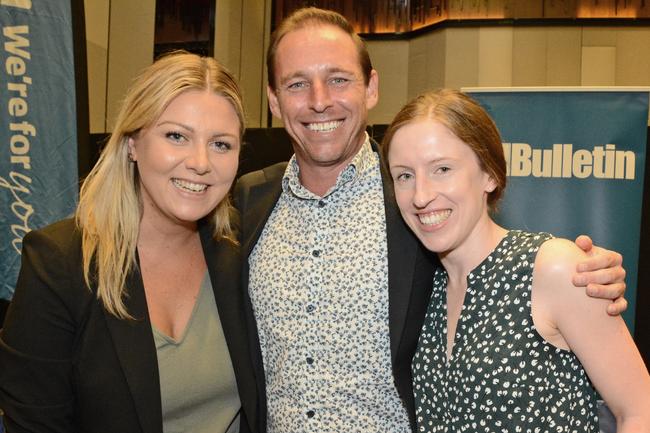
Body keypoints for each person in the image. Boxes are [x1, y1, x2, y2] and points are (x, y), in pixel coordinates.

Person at [235, 6, 628, 433]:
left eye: (338, 79)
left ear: (370, 88)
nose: (319, 99)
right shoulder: (248, 200)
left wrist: (582, 274)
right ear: (273, 100)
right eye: (297, 84)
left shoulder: (416, 209)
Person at [0, 52, 258, 433]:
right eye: (176, 136)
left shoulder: (243, 246)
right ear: (132, 144)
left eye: (221, 144)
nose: (201, 162)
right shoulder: (60, 264)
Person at [383, 89, 650, 433]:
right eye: (405, 175)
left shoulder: (552, 267)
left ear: (490, 174)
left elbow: (640, 409)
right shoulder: (424, 288)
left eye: (442, 169)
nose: (421, 195)